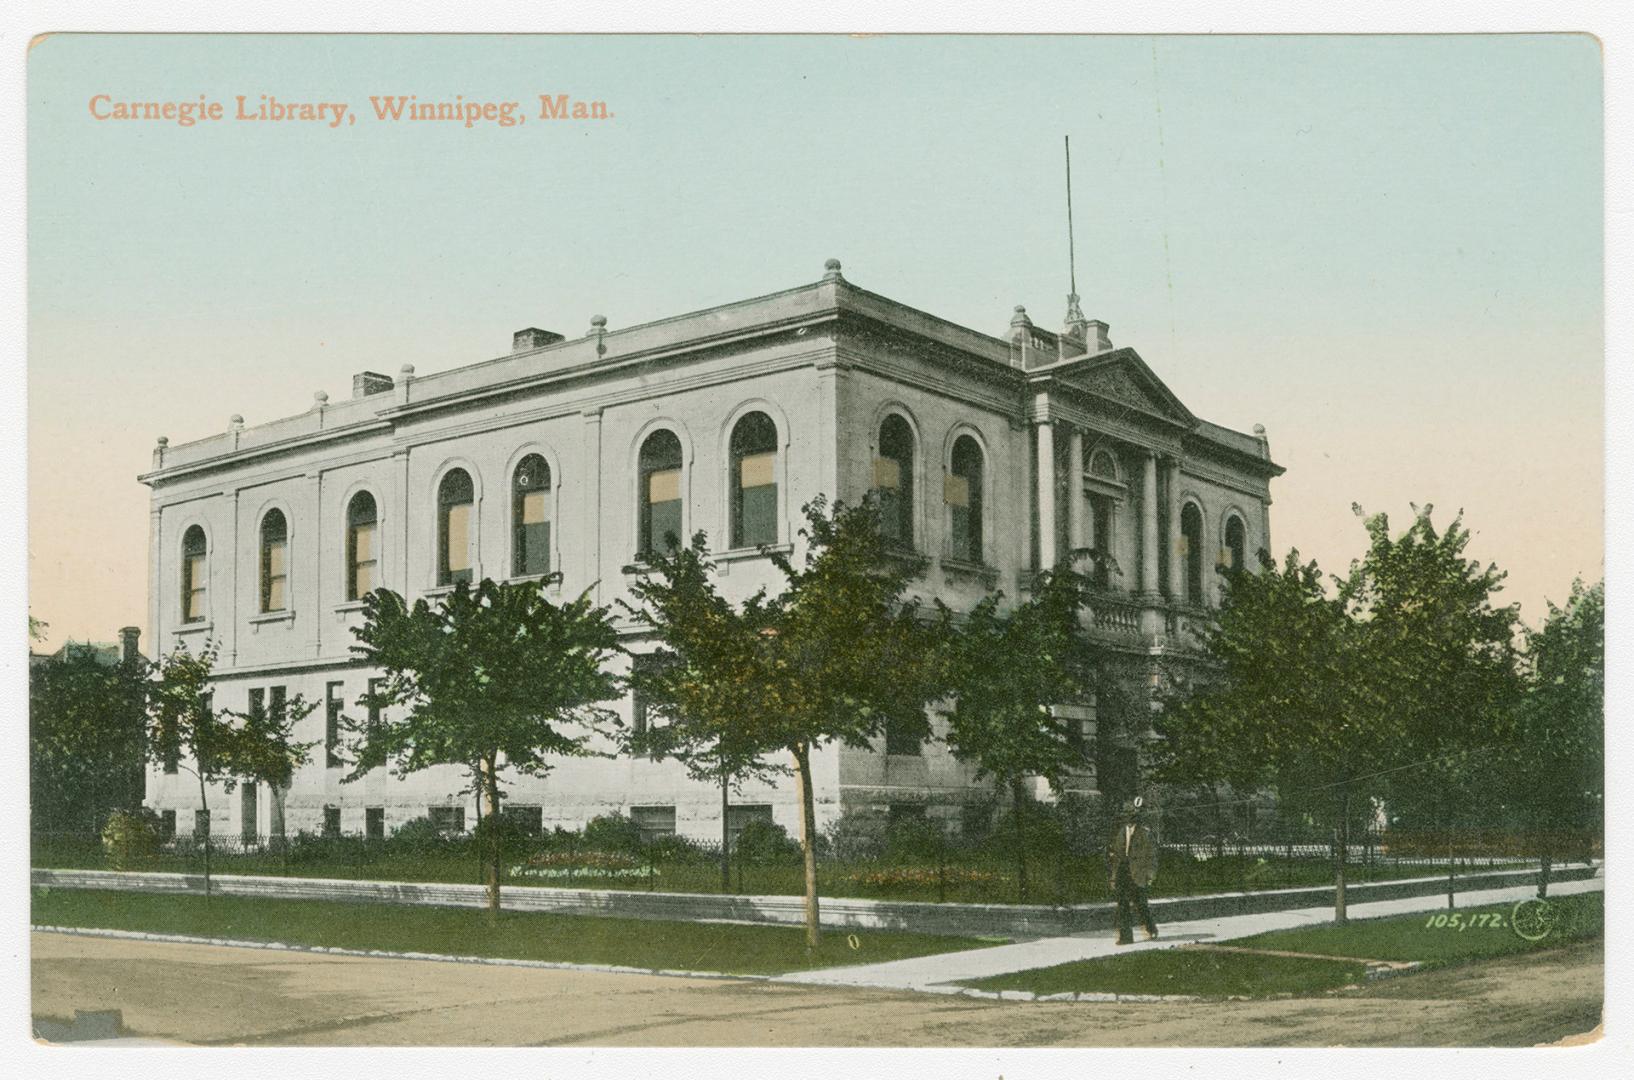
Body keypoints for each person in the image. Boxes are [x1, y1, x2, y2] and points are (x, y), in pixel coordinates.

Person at [1105, 795, 1159, 945]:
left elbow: (1152, 856)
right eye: (1127, 814)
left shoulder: (1145, 833)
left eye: (1133, 814)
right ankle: (1126, 937)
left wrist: (1150, 875)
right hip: (1123, 871)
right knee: (1122, 904)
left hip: (1138, 872)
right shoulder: (1121, 832)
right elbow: (1116, 856)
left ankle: (1151, 928)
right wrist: (1114, 877)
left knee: (1141, 905)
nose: (1130, 817)